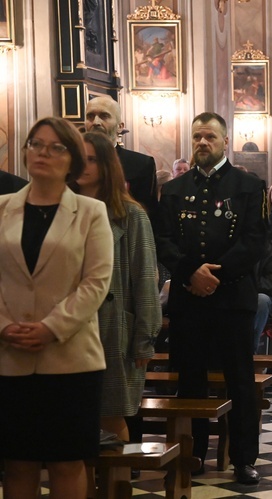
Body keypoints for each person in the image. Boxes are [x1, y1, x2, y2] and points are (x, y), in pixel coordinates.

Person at [0, 117, 114, 498]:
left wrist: (51, 327)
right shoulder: (1, 209)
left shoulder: (91, 211)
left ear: (72, 160)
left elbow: (96, 282)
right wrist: (3, 326)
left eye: (55, 147)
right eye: (35, 144)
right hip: (9, 354)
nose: (42, 153)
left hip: (70, 358)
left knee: (67, 463)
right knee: (17, 463)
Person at [156, 112, 266, 485]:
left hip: (232, 297)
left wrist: (214, 276)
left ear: (225, 142)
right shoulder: (173, 190)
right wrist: (190, 274)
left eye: (210, 137)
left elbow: (254, 240)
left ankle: (244, 457)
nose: (203, 143)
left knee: (238, 378)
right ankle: (195, 452)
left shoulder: (249, 186)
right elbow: (165, 241)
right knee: (191, 378)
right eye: (197, 137)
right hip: (189, 298)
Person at [76, 131, 162, 441]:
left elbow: (145, 279)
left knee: (111, 417)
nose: (82, 166)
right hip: (72, 328)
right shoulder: (64, 210)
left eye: (91, 160)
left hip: (114, 329)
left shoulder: (131, 215)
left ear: (107, 165)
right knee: (74, 418)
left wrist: (144, 338)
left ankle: (118, 485)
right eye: (78, 158)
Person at [85, 96, 158, 217]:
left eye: (104, 116)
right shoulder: (72, 161)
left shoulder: (141, 164)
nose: (96, 122)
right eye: (90, 116)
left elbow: (150, 215)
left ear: (120, 126)